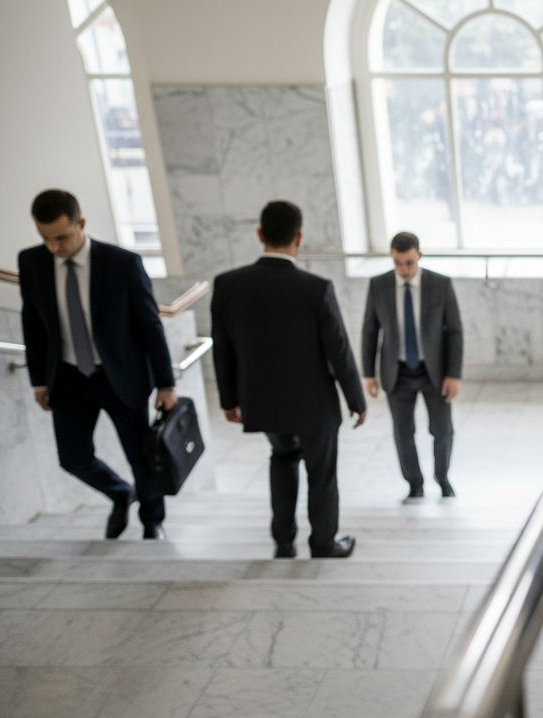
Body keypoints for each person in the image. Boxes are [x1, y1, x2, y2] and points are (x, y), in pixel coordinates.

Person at [18, 189, 177, 540]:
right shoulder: (31, 263)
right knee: (72, 458)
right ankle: (120, 493)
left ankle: (153, 522)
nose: (54, 247)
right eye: (45, 238)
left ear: (81, 223)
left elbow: (150, 325)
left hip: (121, 375)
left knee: (141, 457)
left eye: (62, 237)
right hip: (69, 376)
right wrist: (39, 381)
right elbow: (32, 323)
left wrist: (166, 384)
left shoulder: (122, 263)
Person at [211, 201, 366, 559]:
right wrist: (356, 401)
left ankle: (283, 541)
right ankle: (323, 543)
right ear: (299, 237)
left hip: (262, 401)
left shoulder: (228, 285)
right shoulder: (315, 288)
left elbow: (224, 349)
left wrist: (229, 399)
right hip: (314, 404)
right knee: (321, 472)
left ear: (260, 235)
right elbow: (338, 351)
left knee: (282, 458)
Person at [361, 232, 463, 503]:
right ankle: (414, 484)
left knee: (443, 430)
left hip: (436, 372)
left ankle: (442, 479)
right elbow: (370, 331)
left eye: (408, 262)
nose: (403, 269)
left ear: (419, 254)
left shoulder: (440, 284)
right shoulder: (379, 285)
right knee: (402, 433)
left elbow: (454, 331)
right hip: (397, 372)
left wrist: (454, 374)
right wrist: (368, 374)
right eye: (398, 263)